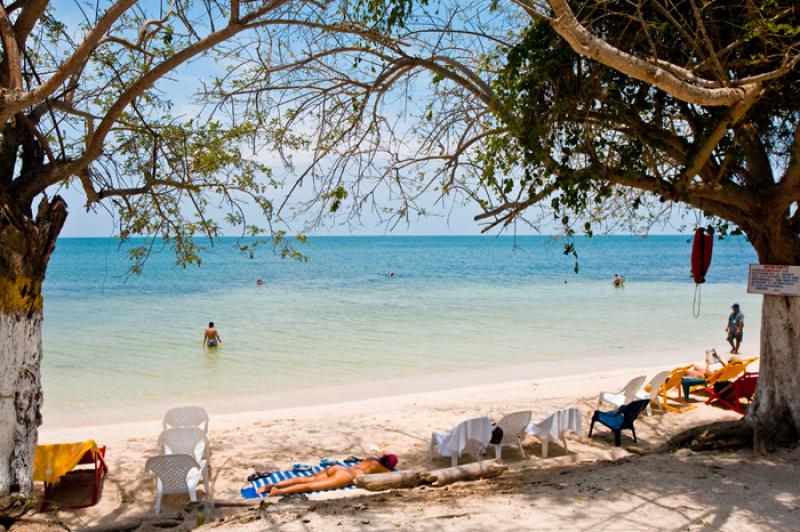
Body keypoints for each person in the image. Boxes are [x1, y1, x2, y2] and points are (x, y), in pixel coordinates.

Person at [256, 454, 398, 496]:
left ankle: (272, 485)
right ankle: (278, 491)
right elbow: (392, 474)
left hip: (338, 468)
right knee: (310, 486)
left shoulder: (371, 459)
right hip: (346, 476)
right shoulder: (383, 469)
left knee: (307, 478)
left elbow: (380, 455)